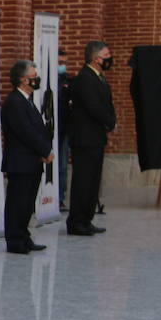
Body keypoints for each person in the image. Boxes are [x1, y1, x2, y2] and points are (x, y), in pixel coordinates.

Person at [0, 60, 52, 254]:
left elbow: (38, 129)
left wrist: (44, 150)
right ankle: (15, 240)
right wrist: (45, 150)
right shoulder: (14, 102)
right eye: (33, 76)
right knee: (17, 202)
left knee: (28, 202)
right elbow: (25, 131)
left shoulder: (27, 100)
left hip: (32, 161)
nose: (36, 79)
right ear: (23, 80)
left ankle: (24, 236)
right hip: (20, 161)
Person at [66, 41, 115, 236]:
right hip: (84, 138)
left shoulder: (99, 77)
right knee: (83, 181)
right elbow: (94, 107)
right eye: (106, 55)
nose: (109, 59)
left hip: (96, 137)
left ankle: (87, 218)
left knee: (93, 181)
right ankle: (77, 221)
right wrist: (109, 122)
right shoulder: (85, 78)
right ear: (96, 59)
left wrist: (112, 120)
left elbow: (107, 103)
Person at [56, 47, 71, 211]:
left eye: (64, 63)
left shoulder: (67, 80)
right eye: (60, 63)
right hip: (51, 128)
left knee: (62, 165)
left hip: (65, 127)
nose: (62, 66)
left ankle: (60, 197)